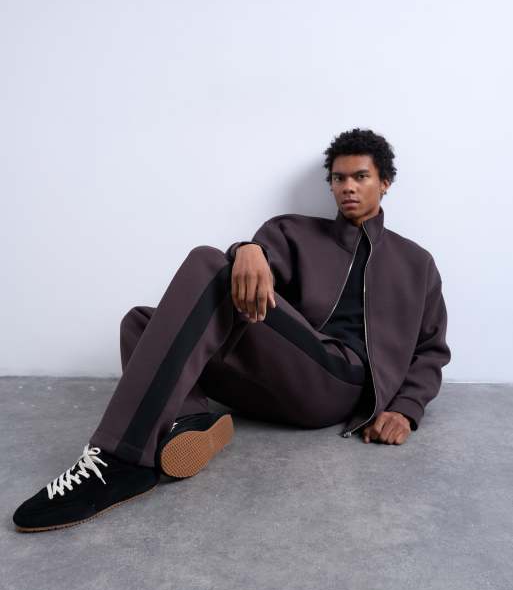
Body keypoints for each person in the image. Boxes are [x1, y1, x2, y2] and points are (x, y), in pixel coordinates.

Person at [12, 128, 451, 533]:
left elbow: (431, 349)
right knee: (141, 321)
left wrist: (406, 408)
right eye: (339, 178)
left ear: (385, 182)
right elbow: (248, 279)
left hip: (337, 384)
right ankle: (191, 418)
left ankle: (119, 458)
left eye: (360, 177)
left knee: (208, 263)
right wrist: (248, 249)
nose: (348, 187)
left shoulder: (416, 263)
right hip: (279, 380)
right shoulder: (294, 231)